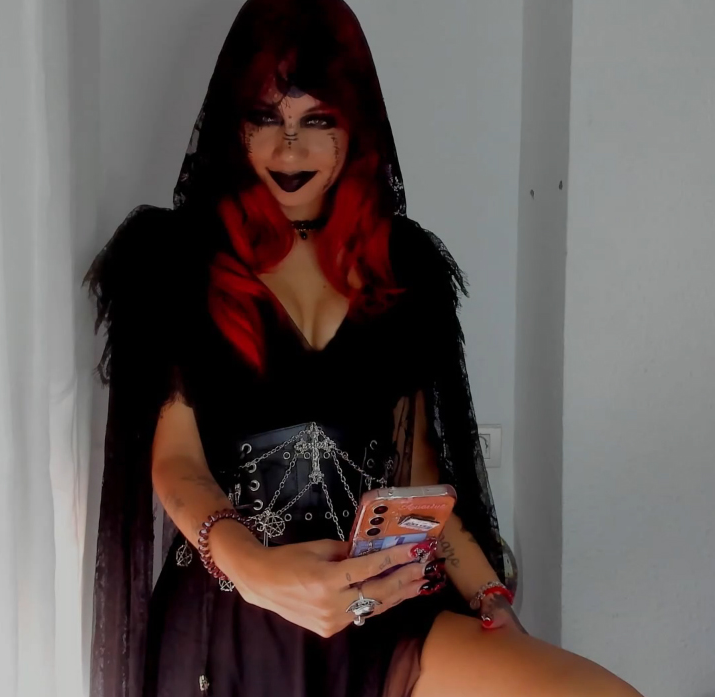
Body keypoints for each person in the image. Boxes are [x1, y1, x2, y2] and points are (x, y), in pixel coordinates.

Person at [87, 1, 642, 695]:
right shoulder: (175, 258)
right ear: (234, 126)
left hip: (379, 607)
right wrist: (256, 571)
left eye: (317, 121)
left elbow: (417, 476)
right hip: (230, 608)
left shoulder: (404, 266)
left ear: (356, 130)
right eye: (266, 118)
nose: (290, 150)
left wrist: (489, 596)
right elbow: (176, 462)